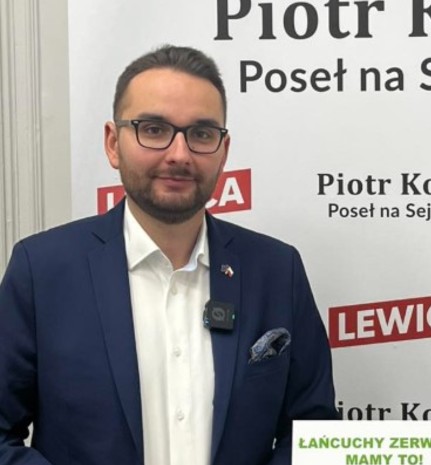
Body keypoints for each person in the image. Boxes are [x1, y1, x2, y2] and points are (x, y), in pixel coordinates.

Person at [0, 45, 337, 465]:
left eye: (201, 134)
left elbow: (312, 433)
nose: (179, 154)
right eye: (154, 129)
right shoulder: (42, 271)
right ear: (113, 143)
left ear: (223, 151)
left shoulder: (277, 271)